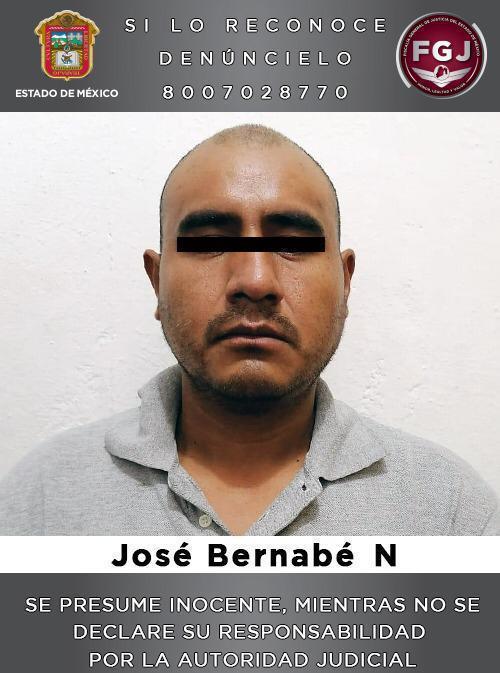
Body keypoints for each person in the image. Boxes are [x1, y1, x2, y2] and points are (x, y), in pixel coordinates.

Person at [0, 124, 498, 535]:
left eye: (295, 244)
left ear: (344, 283)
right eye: (209, 242)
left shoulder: (452, 514)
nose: (255, 281)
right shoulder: (40, 504)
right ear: (157, 282)